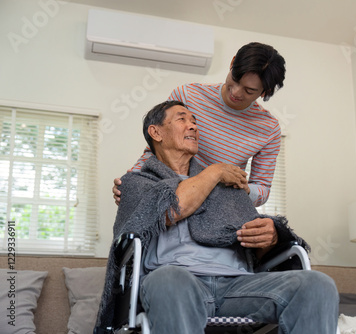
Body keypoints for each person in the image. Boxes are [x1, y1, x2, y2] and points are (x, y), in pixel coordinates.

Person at [95, 101, 339, 334]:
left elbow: (258, 250)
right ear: (155, 132)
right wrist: (215, 170)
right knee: (170, 279)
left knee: (317, 285)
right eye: (182, 120)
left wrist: (271, 236)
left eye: (194, 121)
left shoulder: (227, 188)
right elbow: (171, 210)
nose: (193, 125)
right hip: (177, 281)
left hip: (238, 286)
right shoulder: (137, 183)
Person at [113, 42, 286, 207]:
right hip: (174, 193)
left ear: (266, 91)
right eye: (235, 79)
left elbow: (263, 188)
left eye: (249, 91)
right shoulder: (188, 95)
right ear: (232, 62)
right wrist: (131, 181)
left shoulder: (268, 128)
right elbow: (157, 146)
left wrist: (245, 188)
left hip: (219, 205)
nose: (236, 92)